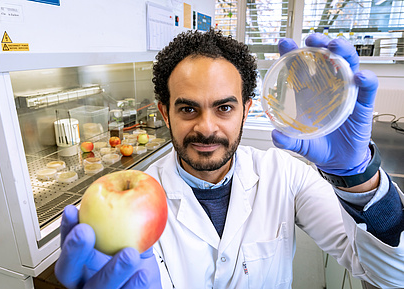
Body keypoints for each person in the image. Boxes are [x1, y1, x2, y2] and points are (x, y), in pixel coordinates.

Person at [54, 30, 404, 288]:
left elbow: (391, 275)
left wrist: (357, 176)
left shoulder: (284, 175)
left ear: (246, 109)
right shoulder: (129, 203)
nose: (206, 128)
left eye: (224, 107)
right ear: (165, 113)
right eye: (188, 108)